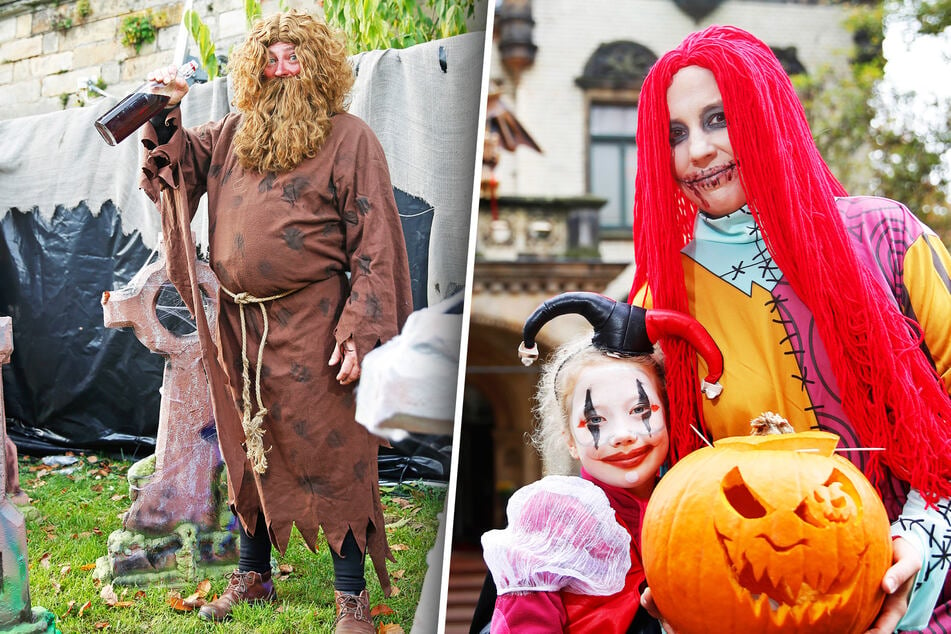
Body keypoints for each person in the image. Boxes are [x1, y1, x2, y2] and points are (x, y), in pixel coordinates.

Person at [628, 25, 951, 632]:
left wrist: (923, 542)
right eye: (674, 134)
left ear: (767, 116)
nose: (696, 151)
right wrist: (673, 574)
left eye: (719, 119)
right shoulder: (656, 300)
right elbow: (647, 467)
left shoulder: (890, 239)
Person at [138, 11, 413, 632]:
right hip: (241, 327)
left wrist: (362, 329)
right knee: (247, 445)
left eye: (294, 58)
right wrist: (163, 111)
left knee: (334, 450)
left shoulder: (350, 138)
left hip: (316, 322)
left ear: (317, 67)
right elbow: (175, 168)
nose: (281, 69)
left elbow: (376, 242)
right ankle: (253, 573)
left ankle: (350, 597)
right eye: (271, 58)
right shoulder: (234, 133)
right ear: (253, 68)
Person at [480, 292, 723, 633]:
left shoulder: (701, 509)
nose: (621, 435)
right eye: (595, 421)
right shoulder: (553, 520)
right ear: (570, 440)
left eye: (640, 411)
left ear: (668, 416)